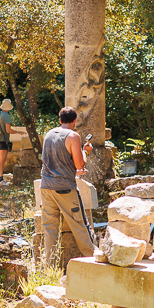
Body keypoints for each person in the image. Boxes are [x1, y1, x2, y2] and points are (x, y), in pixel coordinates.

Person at [40, 106, 96, 274]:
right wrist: (85, 151)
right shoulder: (73, 136)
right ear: (75, 120)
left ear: (60, 120)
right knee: (80, 225)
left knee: (50, 229)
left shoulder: (49, 134)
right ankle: (94, 261)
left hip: (46, 186)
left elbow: (54, 161)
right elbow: (79, 164)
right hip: (64, 188)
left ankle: (49, 269)